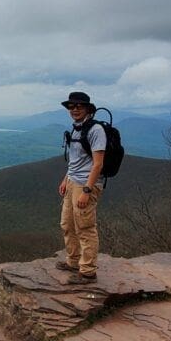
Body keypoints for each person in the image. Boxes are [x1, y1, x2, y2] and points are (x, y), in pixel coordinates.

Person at [57, 91, 105, 282]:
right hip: (72, 182)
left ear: (88, 109)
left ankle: (88, 271)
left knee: (85, 227)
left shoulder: (96, 130)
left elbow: (98, 163)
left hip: (86, 185)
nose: (74, 109)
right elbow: (75, 161)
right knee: (67, 224)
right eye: (71, 106)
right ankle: (73, 260)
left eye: (79, 106)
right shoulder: (77, 128)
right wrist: (65, 179)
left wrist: (87, 190)